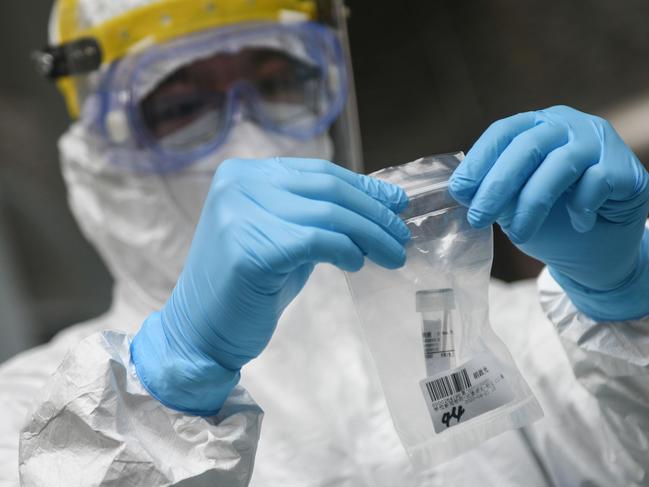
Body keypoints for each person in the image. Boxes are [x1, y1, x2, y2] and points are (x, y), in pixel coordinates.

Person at [2, 0, 648, 485]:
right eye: (179, 108)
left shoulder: (497, 337)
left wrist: (623, 299)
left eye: (278, 80)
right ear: (100, 158)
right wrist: (169, 380)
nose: (247, 134)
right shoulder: (38, 416)